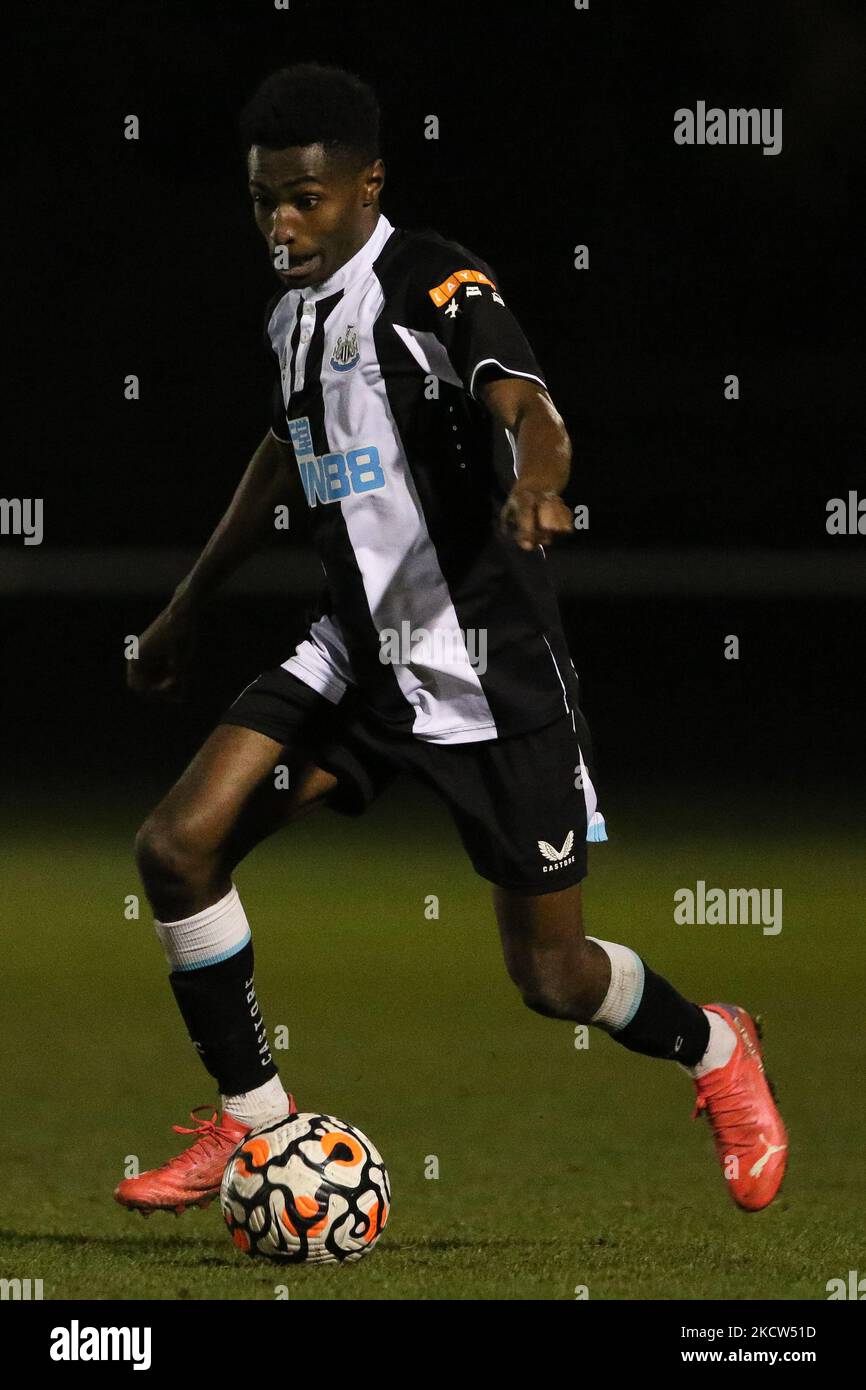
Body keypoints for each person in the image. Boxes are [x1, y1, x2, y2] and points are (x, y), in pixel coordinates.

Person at [116, 63, 787, 1219]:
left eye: (305, 199)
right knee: (176, 848)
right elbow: (279, 457)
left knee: (552, 975)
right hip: (353, 657)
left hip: (485, 672)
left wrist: (540, 480)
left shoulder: (428, 279)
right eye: (264, 198)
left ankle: (715, 1045)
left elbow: (527, 401)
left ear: (366, 187)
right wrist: (186, 603)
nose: (281, 221)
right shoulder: (291, 317)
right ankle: (254, 1121)